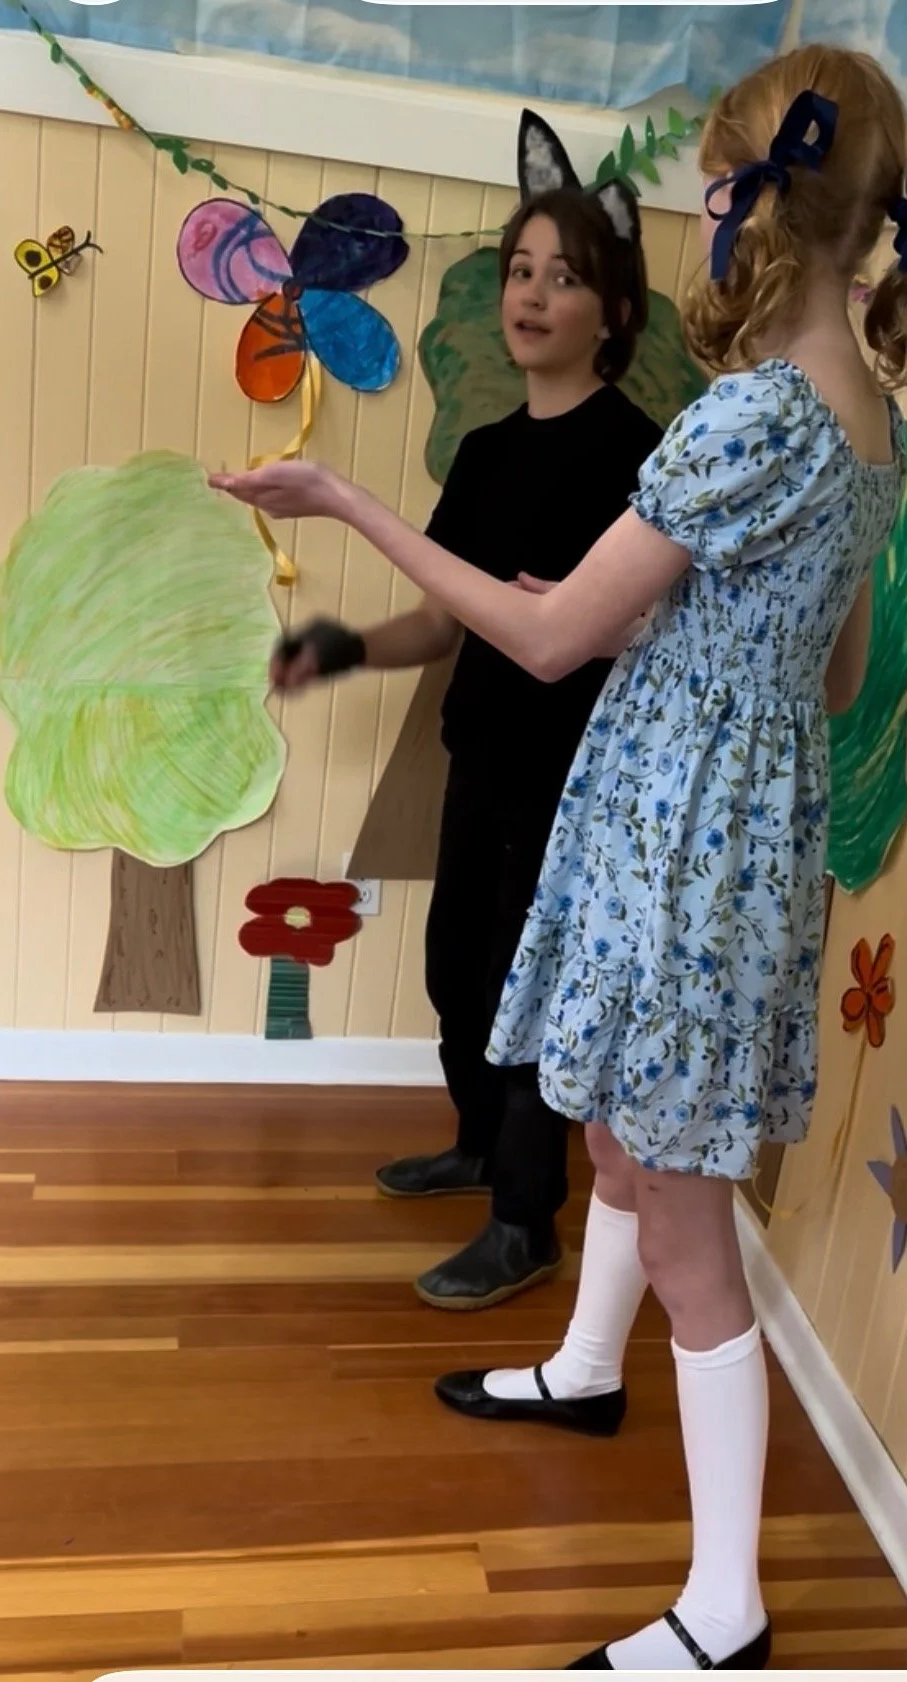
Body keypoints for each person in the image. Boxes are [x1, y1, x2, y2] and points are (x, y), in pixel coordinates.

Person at [215, 41, 907, 1674]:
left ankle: (723, 1609)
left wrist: (343, 498)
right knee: (623, 1135)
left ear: (751, 206)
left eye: (710, 190)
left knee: (686, 1224)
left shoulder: (746, 418)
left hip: (673, 840)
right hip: (735, 829)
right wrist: (675, 639)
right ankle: (582, 1366)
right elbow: (830, 672)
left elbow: (545, 637)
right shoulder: (869, 434)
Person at [266, 111, 662, 1312]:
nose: (532, 295)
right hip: (480, 759)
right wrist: (345, 645)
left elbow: (628, 628)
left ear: (615, 312)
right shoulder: (486, 454)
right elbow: (445, 620)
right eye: (519, 271)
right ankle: (482, 1146)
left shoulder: (638, 459)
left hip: (573, 781)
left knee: (526, 993)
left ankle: (524, 1220)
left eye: (564, 277)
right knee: (457, 971)